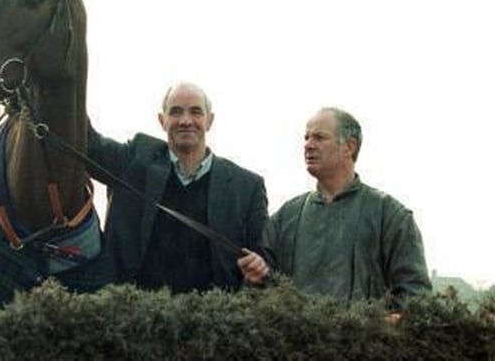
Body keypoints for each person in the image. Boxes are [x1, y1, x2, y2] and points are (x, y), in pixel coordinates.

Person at [238, 107, 432, 307]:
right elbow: (259, 292)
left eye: (319, 138)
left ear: (349, 146)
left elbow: (415, 297)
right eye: (306, 138)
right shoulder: (286, 217)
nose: (308, 145)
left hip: (365, 337)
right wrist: (257, 276)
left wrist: (377, 325)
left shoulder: (391, 216)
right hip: (296, 337)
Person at [87, 81, 269, 292]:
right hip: (137, 317)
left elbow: (263, 259)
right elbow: (87, 144)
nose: (185, 120)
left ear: (209, 121)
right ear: (162, 120)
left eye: (196, 112)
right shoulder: (135, 159)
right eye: (175, 112)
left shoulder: (246, 187)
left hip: (215, 319)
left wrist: (259, 266)